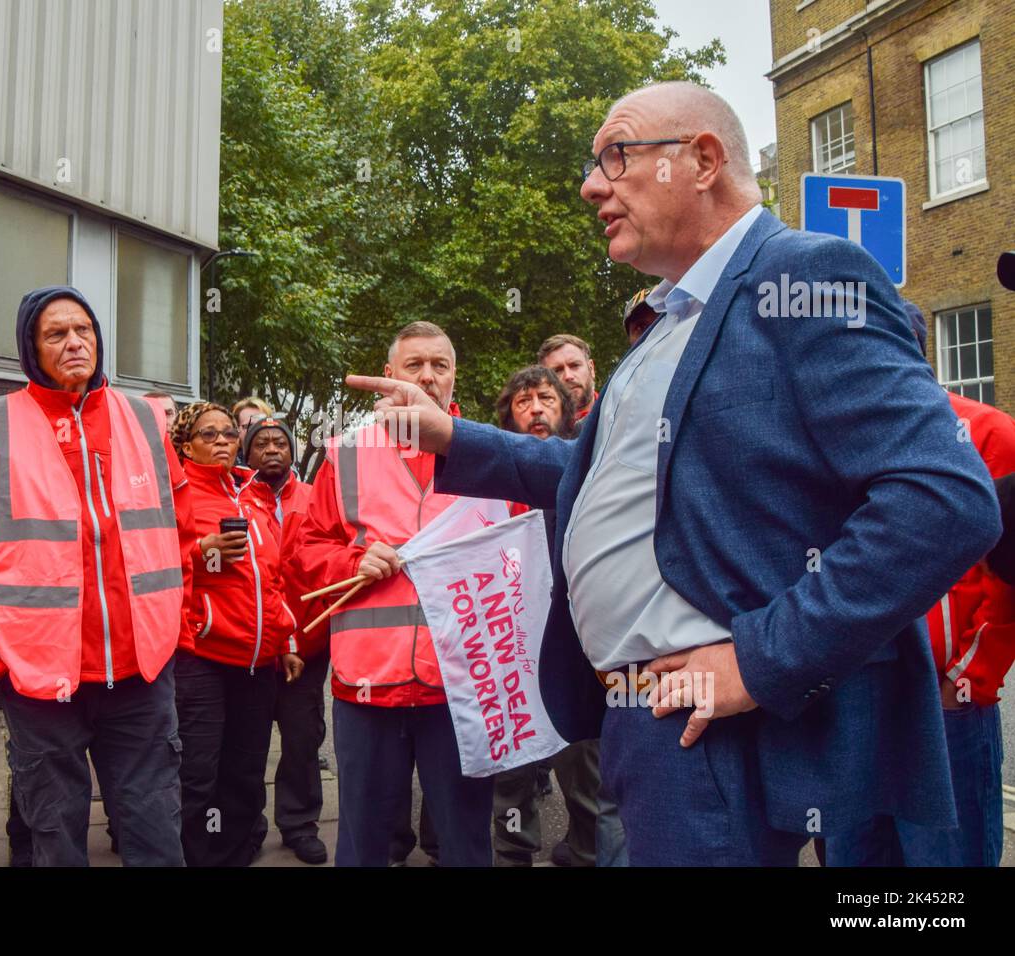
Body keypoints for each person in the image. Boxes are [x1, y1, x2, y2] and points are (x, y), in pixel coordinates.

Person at [347, 81, 1002, 865]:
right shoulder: (669, 319)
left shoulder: (806, 277)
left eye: (616, 156)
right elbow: (601, 482)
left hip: (718, 722)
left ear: (702, 160)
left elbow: (945, 499)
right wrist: (455, 436)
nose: (593, 185)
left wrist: (761, 660)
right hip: (646, 714)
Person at [0, 285, 194, 867]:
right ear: (31, 348)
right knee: (55, 835)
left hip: (141, 672)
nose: (76, 342)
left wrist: (177, 631)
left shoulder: (144, 419)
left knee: (156, 833)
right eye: (56, 334)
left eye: (85, 330)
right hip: (40, 680)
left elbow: (184, 537)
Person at [295, 320, 494, 868]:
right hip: (367, 684)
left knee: (466, 840)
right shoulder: (347, 454)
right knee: (363, 843)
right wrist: (352, 560)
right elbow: (306, 549)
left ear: (455, 376)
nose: (428, 377)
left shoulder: (487, 453)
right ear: (389, 376)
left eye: (440, 366)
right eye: (414, 366)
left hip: (461, 684)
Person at [824, 303, 1015, 867]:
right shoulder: (837, 441)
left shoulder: (988, 430)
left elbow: (1009, 577)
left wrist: (969, 678)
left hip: (944, 708)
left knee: (943, 874)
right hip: (854, 703)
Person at [490, 366, 626, 868]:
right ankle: (513, 852)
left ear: (567, 412)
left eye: (546, 398)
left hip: (573, 646)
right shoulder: (485, 479)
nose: (536, 409)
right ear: (508, 416)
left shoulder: (589, 468)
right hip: (508, 645)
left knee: (582, 760)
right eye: (523, 401)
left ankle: (587, 849)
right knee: (514, 766)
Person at [170, 402, 299, 867]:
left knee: (245, 772)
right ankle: (196, 856)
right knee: (198, 773)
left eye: (228, 432)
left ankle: (234, 853)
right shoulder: (176, 494)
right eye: (210, 434)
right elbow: (158, 566)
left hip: (259, 659)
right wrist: (202, 553)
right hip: (203, 655)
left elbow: (273, 576)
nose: (223, 440)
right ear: (186, 446)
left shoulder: (253, 494)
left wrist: (285, 640)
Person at [243, 416, 329, 864]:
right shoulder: (235, 500)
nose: (272, 449)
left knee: (302, 742)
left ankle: (299, 825)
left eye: (280, 443)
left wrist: (298, 638)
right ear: (248, 454)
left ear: (292, 451)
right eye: (261, 444)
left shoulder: (316, 499)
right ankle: (247, 826)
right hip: (253, 651)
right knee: (248, 745)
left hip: (308, 646)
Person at [538, 334, 597, 420]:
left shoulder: (618, 412)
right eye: (557, 371)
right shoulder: (537, 428)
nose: (568, 376)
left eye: (575, 365)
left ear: (591, 369)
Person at [232, 396, 275, 463]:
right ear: (238, 429)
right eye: (250, 426)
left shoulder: (285, 469)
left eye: (261, 424)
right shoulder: (228, 468)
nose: (256, 430)